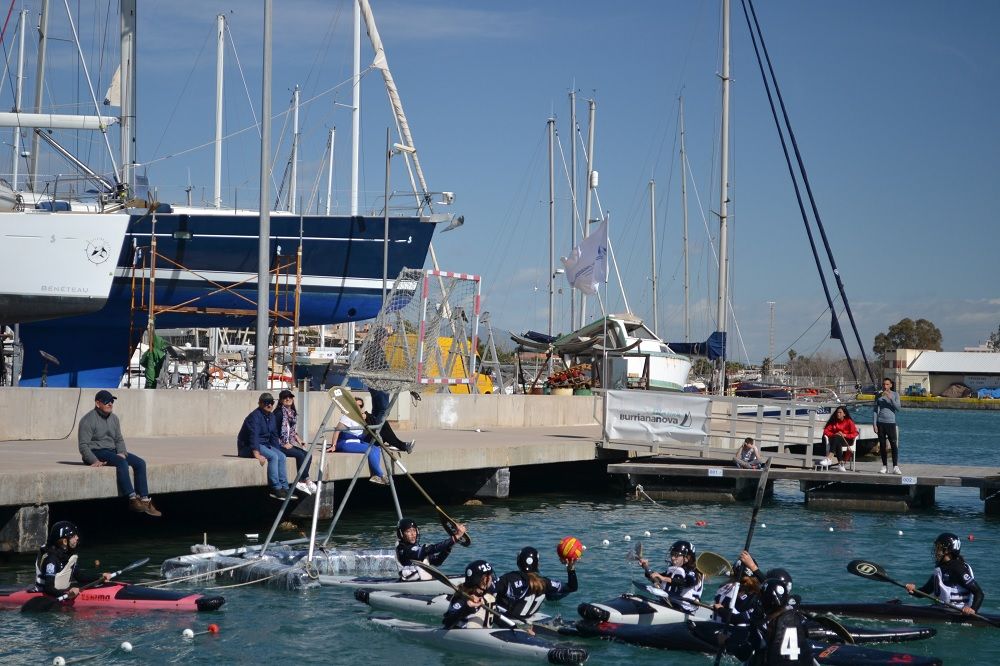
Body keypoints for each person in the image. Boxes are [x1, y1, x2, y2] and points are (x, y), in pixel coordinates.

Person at [78, 390, 161, 516]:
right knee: (122, 463)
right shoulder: (87, 420)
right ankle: (132, 499)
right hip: (97, 451)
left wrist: (122, 451)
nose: (110, 404)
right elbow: (83, 445)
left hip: (113, 450)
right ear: (97, 403)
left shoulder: (114, 418)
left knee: (140, 463)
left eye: (112, 401)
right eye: (106, 401)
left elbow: (119, 439)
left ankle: (144, 500)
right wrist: (93, 460)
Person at [736, 577, 814, 665]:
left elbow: (744, 654)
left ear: (766, 603)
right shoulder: (797, 617)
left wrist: (727, 643)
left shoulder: (764, 626)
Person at [904, 532, 984, 615]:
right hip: (941, 610)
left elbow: (979, 593)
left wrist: (972, 609)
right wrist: (913, 590)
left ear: (947, 551)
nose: (935, 551)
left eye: (938, 548)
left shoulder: (958, 568)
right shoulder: (941, 568)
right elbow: (926, 590)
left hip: (957, 613)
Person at [237, 393, 296, 501]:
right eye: (266, 403)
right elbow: (253, 435)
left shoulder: (271, 416)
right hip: (248, 446)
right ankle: (276, 488)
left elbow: (273, 436)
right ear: (259, 403)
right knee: (273, 457)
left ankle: (285, 488)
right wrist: (256, 453)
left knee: (281, 456)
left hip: (264, 444)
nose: (269, 405)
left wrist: (277, 450)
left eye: (271, 403)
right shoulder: (254, 416)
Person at [495, 546, 578, 620]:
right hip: (529, 619)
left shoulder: (509, 579)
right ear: (537, 564)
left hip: (506, 620)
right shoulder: (545, 583)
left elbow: (491, 588)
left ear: (518, 562)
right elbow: (572, 587)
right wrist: (571, 568)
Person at [32, 522, 111, 599]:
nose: (77, 538)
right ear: (65, 541)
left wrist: (100, 577)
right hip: (47, 593)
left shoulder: (68, 555)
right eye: (73, 536)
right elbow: (48, 587)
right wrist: (67, 595)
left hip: (61, 591)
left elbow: (79, 576)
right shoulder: (51, 559)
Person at [326, 395, 388, 484]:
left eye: (360, 405)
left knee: (376, 449)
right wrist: (333, 445)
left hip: (357, 441)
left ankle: (375, 475)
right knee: (370, 450)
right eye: (356, 405)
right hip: (345, 442)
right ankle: (381, 475)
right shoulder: (347, 417)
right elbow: (337, 431)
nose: (358, 407)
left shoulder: (361, 418)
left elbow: (366, 431)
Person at [638, 540, 704, 612]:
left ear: (687, 558)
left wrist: (664, 578)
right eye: (672, 554)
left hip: (687, 608)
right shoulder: (675, 570)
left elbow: (686, 582)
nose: (672, 558)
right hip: (672, 604)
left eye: (676, 555)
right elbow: (658, 577)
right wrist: (647, 569)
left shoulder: (695, 573)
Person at [395, 517, 468, 581]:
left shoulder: (417, 549)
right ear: (401, 534)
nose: (413, 534)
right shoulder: (404, 550)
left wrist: (450, 545)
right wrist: (456, 537)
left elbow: (437, 561)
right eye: (408, 531)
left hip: (422, 582)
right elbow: (433, 549)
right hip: (411, 585)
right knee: (427, 550)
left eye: (414, 530)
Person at [275, 390, 316, 495]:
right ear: (281, 400)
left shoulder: (291, 413)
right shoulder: (279, 413)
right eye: (285, 398)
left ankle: (304, 479)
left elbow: (292, 431)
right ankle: (303, 480)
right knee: (300, 455)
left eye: (290, 397)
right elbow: (274, 432)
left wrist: (300, 441)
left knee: (307, 455)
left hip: (288, 443)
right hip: (279, 445)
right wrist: (283, 443)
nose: (288, 399)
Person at [442, 560, 498, 629]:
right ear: (481, 580)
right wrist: (467, 607)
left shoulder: (490, 590)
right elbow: (447, 622)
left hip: (484, 633)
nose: (491, 578)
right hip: (462, 633)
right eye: (489, 576)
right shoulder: (462, 598)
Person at [874, 377, 902, 474]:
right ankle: (884, 466)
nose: (885, 386)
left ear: (891, 385)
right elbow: (875, 410)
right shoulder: (878, 395)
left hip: (891, 423)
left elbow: (898, 408)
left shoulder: (895, 395)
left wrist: (891, 399)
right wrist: (874, 424)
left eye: (887, 384)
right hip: (880, 423)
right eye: (883, 384)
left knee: (893, 445)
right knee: (882, 446)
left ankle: (895, 466)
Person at [820, 405, 859, 471]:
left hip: (846, 440)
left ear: (844, 414)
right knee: (837, 439)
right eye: (837, 412)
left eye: (840, 412)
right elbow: (826, 431)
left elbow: (855, 433)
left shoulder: (849, 421)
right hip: (835, 440)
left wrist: (845, 435)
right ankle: (841, 464)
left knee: (837, 438)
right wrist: (834, 434)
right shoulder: (834, 421)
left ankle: (829, 458)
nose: (838, 414)